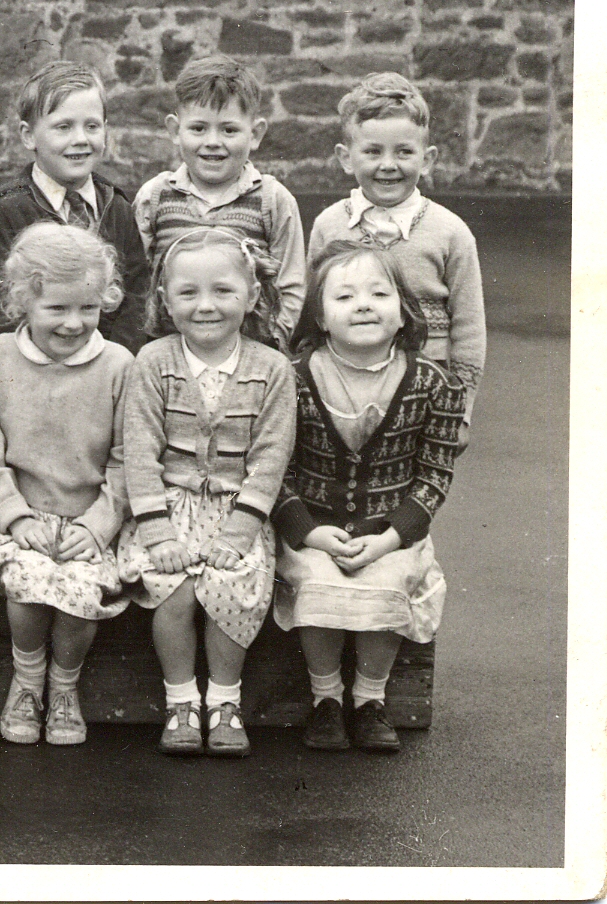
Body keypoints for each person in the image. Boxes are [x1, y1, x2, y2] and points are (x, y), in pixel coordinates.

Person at [274, 241, 471, 753]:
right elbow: (274, 469)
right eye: (344, 297)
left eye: (379, 294)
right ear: (320, 317)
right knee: (317, 586)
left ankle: (370, 698)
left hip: (389, 532)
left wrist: (391, 538)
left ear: (403, 312)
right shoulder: (292, 380)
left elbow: (434, 476)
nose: (363, 305)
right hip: (315, 530)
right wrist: (309, 532)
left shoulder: (434, 384)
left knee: (386, 586)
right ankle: (326, 698)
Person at [117, 227, 297, 758]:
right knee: (173, 588)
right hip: (167, 507)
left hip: (237, 511)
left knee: (231, 583)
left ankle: (224, 700)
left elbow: (269, 462)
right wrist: (158, 533)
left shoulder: (272, 369)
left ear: (252, 296)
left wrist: (238, 535)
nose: (206, 306)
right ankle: (180, 702)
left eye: (223, 290)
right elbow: (140, 453)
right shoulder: (153, 361)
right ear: (165, 300)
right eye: (188, 292)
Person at [0, 222, 136, 747]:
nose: (74, 323)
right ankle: (27, 680)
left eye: (88, 308)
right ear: (23, 301)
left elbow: (127, 457)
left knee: (80, 593)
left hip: (89, 518)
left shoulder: (118, 365)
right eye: (57, 308)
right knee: (27, 581)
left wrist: (98, 525)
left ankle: (64, 685)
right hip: (20, 515)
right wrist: (15, 516)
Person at [306, 74, 485, 421]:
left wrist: (461, 410)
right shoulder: (329, 226)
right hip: (344, 388)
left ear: (427, 159)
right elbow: (313, 312)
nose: (388, 165)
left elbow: (469, 327)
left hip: (427, 398)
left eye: (404, 152)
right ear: (346, 157)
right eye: (373, 151)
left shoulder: (451, 232)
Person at [132, 54, 306, 346]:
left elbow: (290, 287)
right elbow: (138, 282)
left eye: (229, 130)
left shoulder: (272, 200)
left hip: (250, 353)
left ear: (255, 134)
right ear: (175, 130)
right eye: (198, 128)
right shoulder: (155, 196)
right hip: (170, 352)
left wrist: (272, 344)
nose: (213, 142)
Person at [0, 59, 151, 351]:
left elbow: (136, 293)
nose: (80, 139)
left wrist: (114, 355)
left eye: (92, 126)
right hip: (34, 358)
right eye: (63, 127)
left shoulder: (116, 206)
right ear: (28, 136)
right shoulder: (10, 207)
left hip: (104, 358)